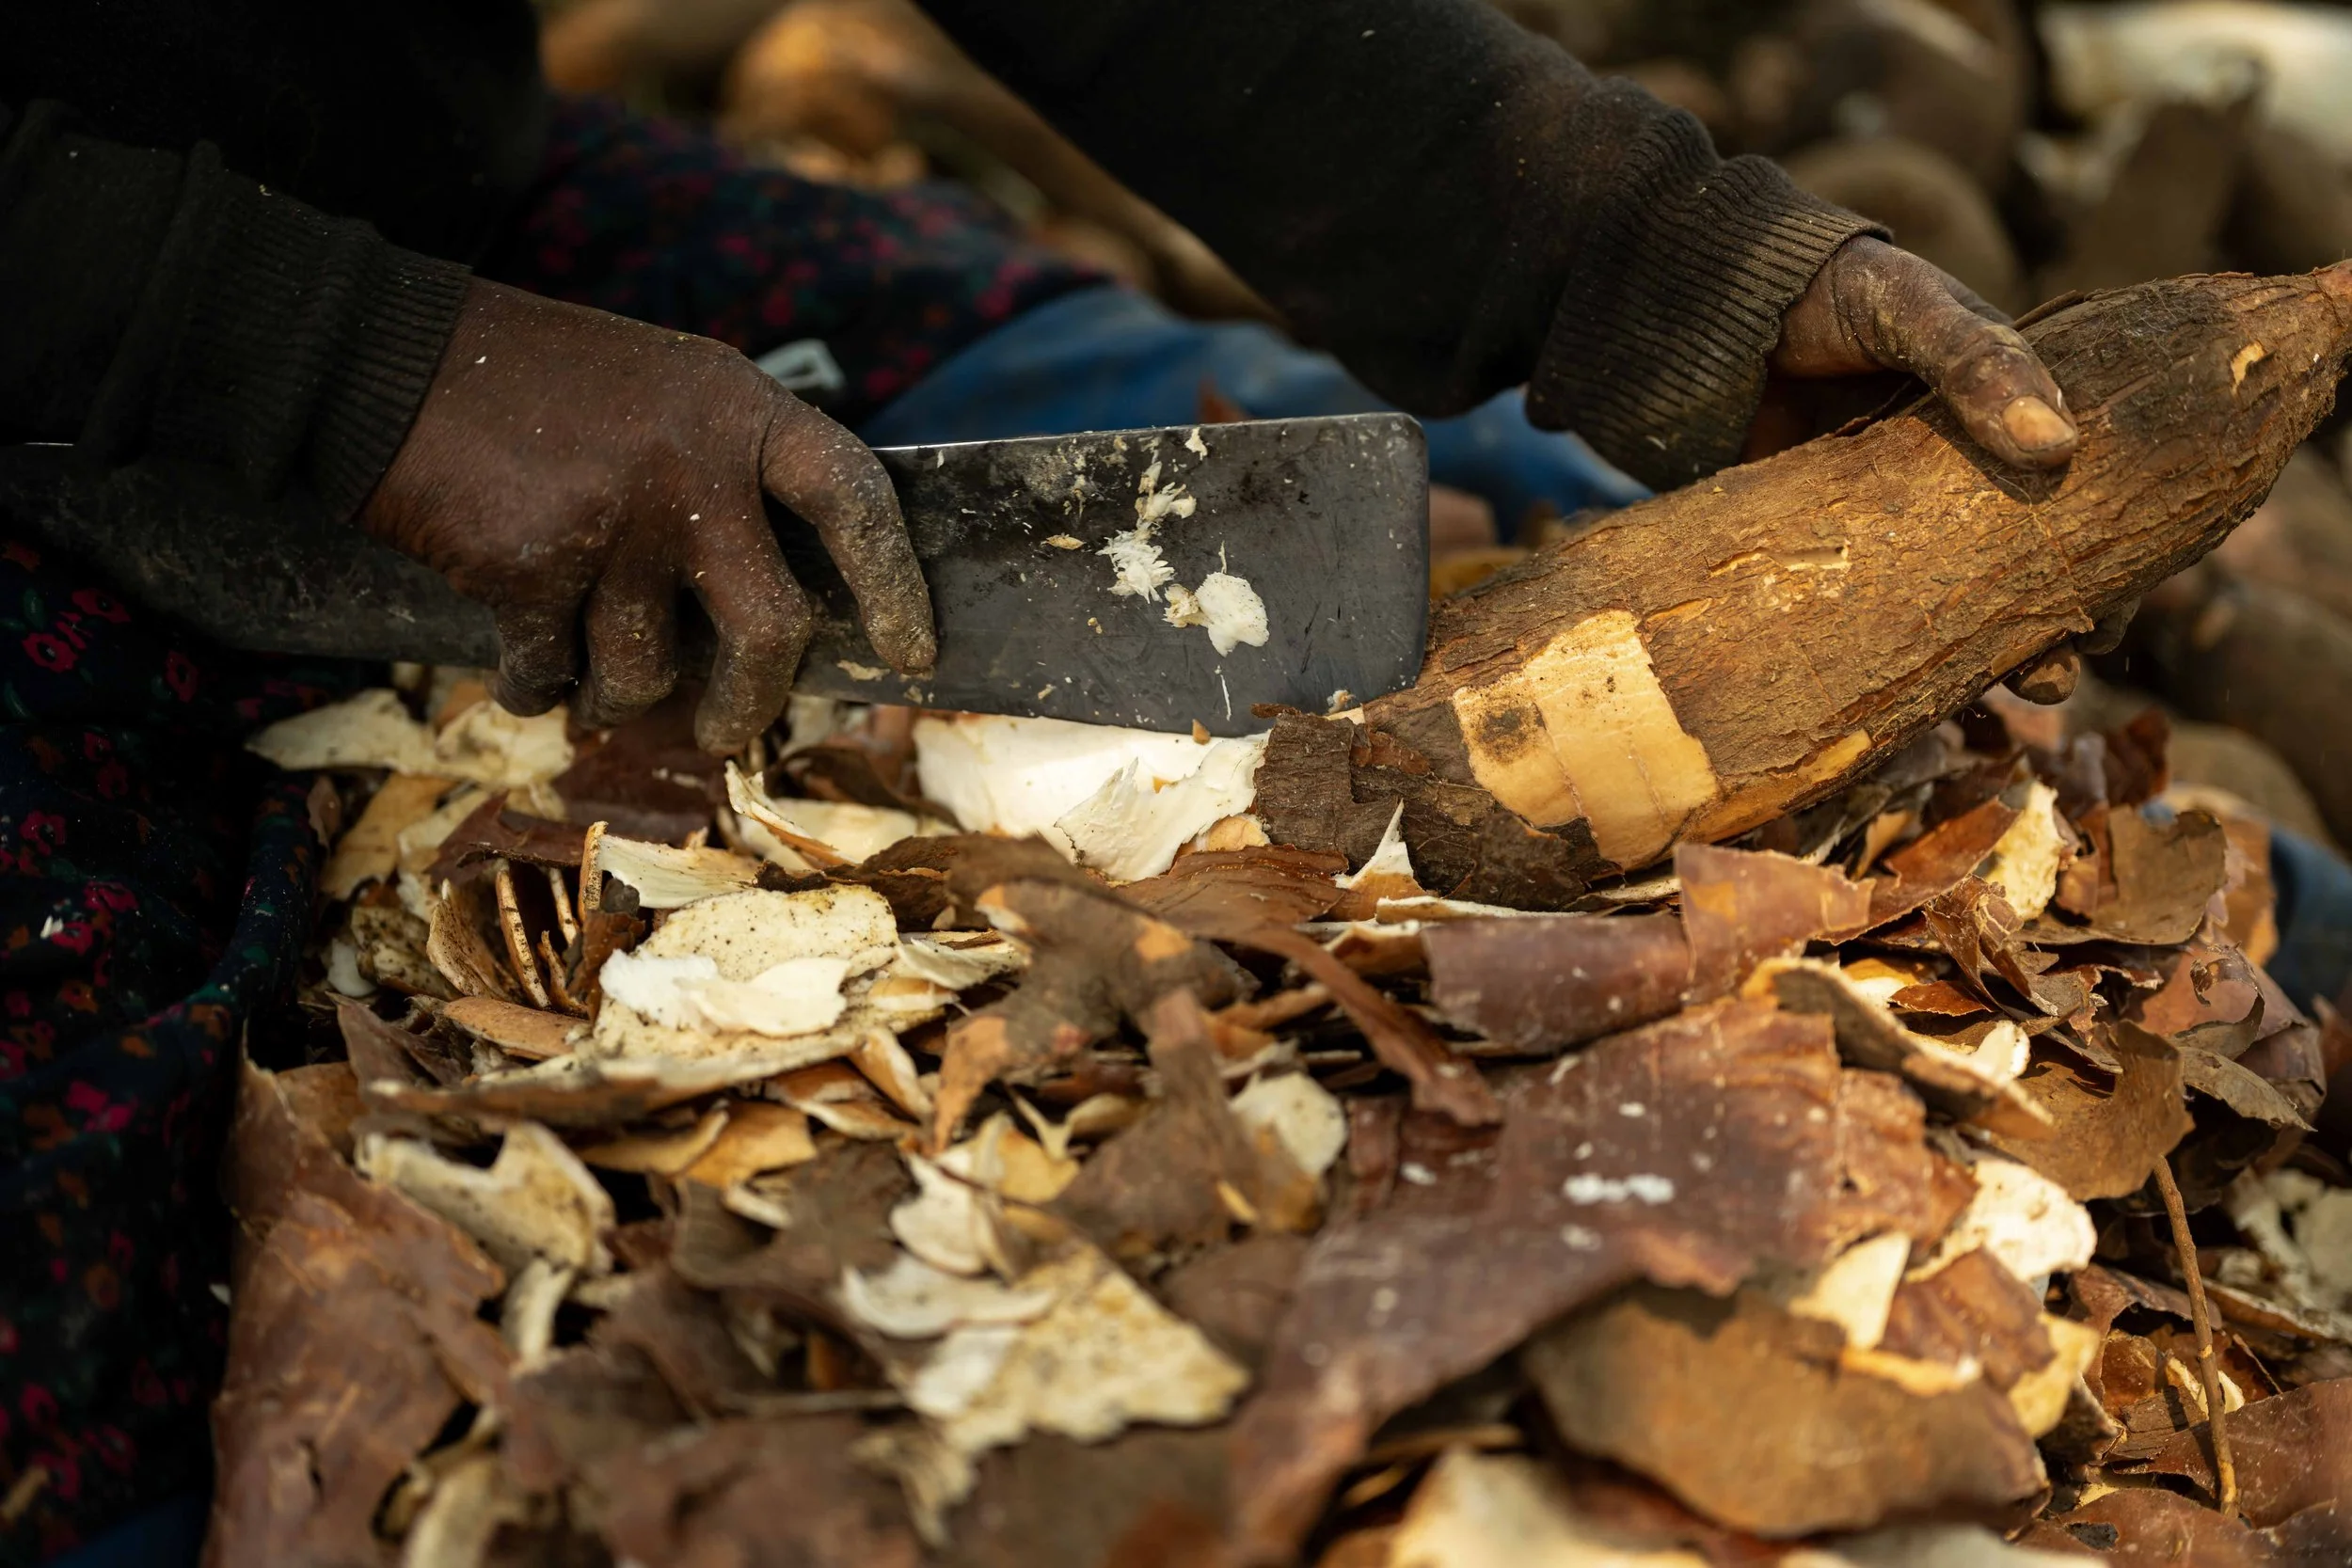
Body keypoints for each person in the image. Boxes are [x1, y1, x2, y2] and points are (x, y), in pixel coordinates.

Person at [0, 2, 2097, 1561]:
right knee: (108, 1417)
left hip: (451, 223)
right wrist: (356, 380)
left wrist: (1642, 251)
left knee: (1452, 502)